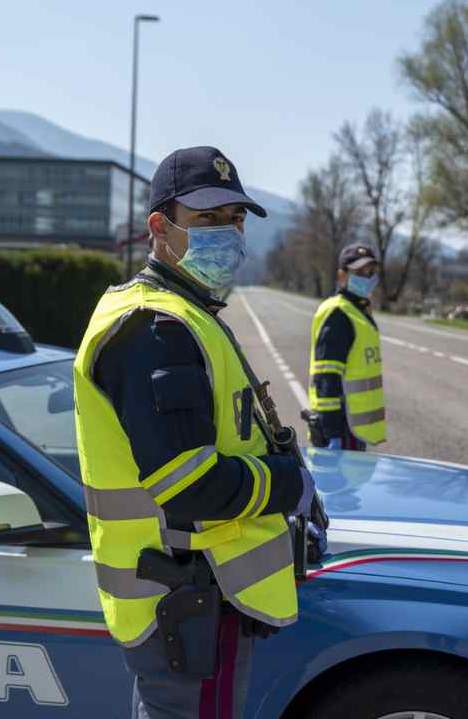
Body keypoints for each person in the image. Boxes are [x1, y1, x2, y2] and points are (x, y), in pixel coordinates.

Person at [72, 146, 316, 719]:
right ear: (160, 226)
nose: (228, 234)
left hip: (202, 598)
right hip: (189, 602)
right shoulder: (156, 329)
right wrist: (288, 485)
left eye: (234, 220)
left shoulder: (185, 314)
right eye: (207, 220)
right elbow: (189, 485)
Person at [307, 243, 387, 451]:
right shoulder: (339, 313)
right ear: (342, 275)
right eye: (360, 272)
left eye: (371, 272)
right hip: (341, 430)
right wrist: (333, 433)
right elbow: (327, 377)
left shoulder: (357, 310)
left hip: (354, 429)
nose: (368, 278)